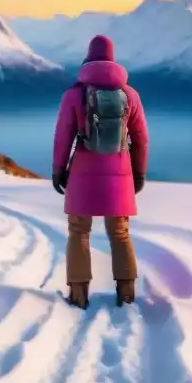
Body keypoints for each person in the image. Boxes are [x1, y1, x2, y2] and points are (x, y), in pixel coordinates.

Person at [52, 34, 149, 309]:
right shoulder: (130, 95)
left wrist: (59, 170)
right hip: (120, 172)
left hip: (83, 171)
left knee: (78, 231)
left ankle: (79, 294)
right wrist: (138, 173)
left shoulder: (74, 94)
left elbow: (63, 136)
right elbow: (141, 138)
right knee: (119, 232)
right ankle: (127, 293)